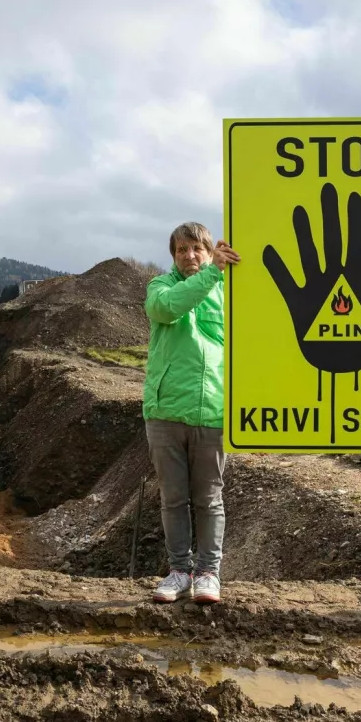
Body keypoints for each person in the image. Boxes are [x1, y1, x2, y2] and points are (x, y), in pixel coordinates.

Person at [143, 222, 240, 604]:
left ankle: (208, 574)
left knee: (209, 499)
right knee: (173, 497)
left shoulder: (229, 293)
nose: (190, 256)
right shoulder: (159, 288)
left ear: (207, 249)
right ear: (173, 256)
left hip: (213, 412)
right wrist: (214, 271)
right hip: (166, 413)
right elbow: (168, 309)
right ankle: (179, 571)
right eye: (182, 250)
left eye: (197, 249)